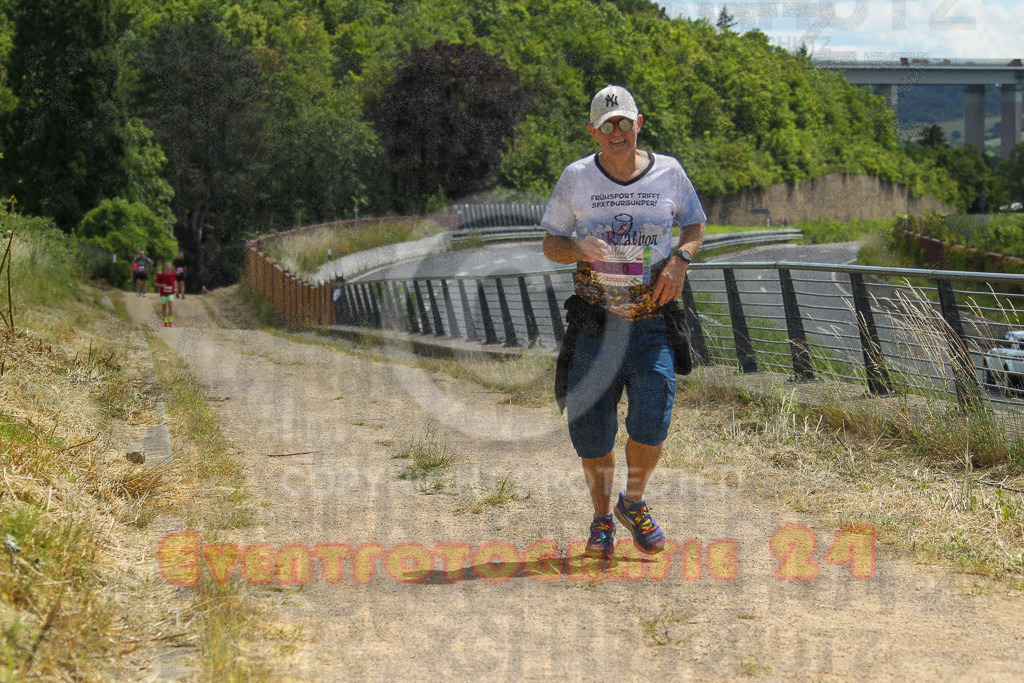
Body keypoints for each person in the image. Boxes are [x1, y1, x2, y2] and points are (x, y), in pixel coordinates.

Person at [541, 85, 706, 560]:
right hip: (596, 322)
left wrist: (680, 260)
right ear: (594, 131)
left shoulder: (670, 172)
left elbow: (694, 226)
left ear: (639, 124)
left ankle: (633, 502)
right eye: (607, 125)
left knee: (653, 418)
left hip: (652, 319)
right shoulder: (576, 177)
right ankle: (601, 521)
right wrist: (576, 249)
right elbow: (551, 243)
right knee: (592, 429)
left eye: (624, 123)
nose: (617, 132)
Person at [154, 262, 177, 327]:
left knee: (170, 306)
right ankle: (165, 322)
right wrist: (161, 285)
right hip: (163, 294)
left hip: (170, 293)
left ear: (171, 269)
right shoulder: (161, 275)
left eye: (169, 269)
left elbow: (175, 281)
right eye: (167, 269)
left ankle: (170, 321)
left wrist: (175, 288)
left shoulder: (173, 275)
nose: (168, 270)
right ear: (164, 269)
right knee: (164, 308)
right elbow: (155, 284)